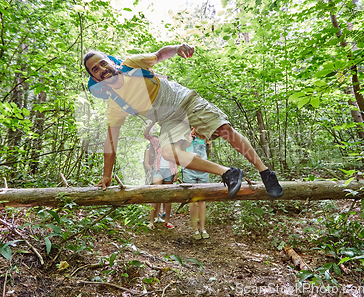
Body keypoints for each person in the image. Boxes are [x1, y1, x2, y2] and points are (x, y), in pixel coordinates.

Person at [83, 43, 283, 199]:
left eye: (102, 63)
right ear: (96, 79)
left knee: (224, 129)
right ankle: (229, 173)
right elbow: (111, 142)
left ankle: (265, 173)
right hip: (169, 119)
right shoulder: (114, 104)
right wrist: (106, 175)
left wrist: (178, 49)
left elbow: (159, 55)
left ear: (110, 62)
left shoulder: (131, 64)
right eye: (95, 70)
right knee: (170, 153)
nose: (101, 69)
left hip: (184, 100)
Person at [144, 122, 177, 229]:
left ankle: (167, 221)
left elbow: (176, 157)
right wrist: (153, 122)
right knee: (156, 195)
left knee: (168, 198)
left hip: (169, 171)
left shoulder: (173, 143)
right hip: (158, 170)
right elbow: (146, 134)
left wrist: (175, 172)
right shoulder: (157, 142)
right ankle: (151, 222)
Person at [182, 127, 211, 240]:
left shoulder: (206, 139)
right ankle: (195, 229)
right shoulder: (189, 137)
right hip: (189, 170)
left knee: (202, 201)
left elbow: (207, 155)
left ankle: (203, 228)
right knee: (193, 201)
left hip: (203, 171)